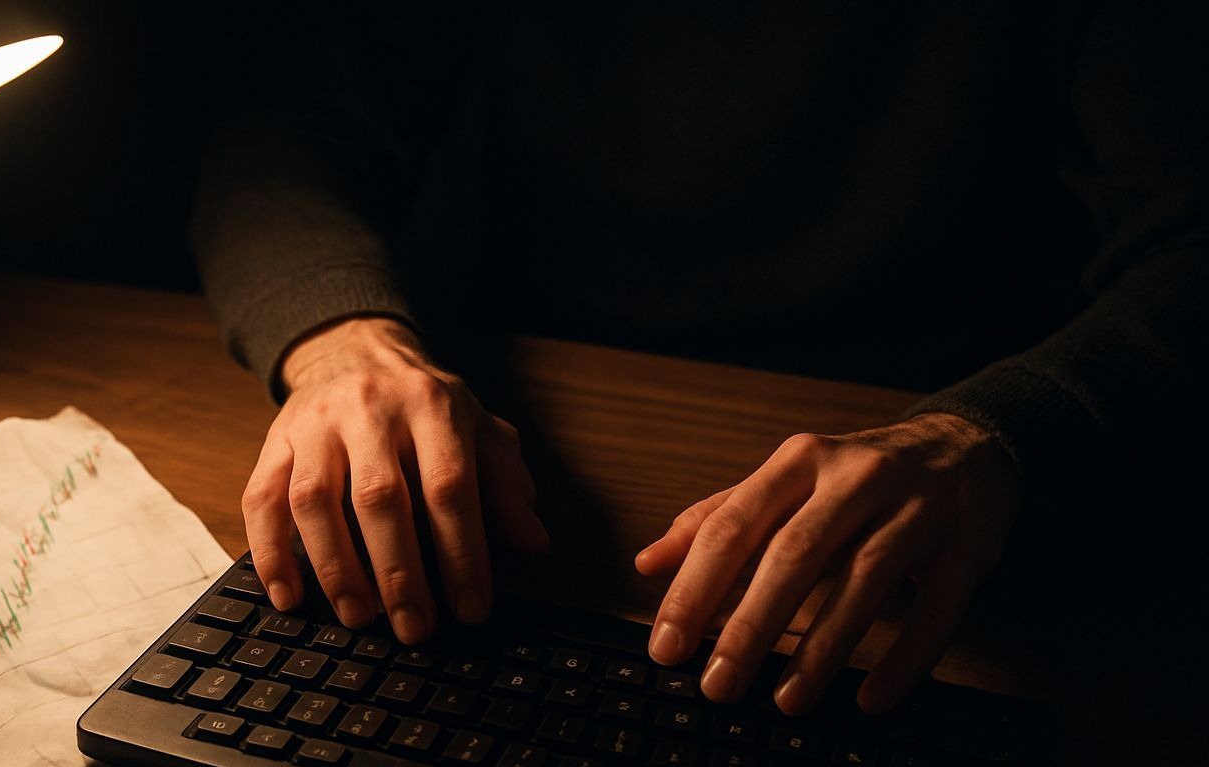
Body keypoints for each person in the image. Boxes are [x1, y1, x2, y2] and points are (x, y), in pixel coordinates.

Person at [189, 2, 1207, 715]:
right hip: (546, 492)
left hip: (938, 528)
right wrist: (341, 340)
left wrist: (990, 434)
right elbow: (280, 138)